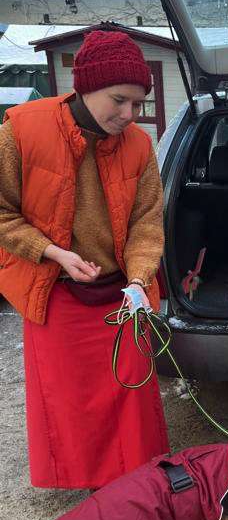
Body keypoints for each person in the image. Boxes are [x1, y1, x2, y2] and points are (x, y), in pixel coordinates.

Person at [0, 28, 169, 489]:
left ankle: (133, 482)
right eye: (119, 100)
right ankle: (89, 482)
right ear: (85, 85)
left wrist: (138, 280)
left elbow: (147, 223)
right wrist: (53, 253)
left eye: (138, 104)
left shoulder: (138, 145)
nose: (129, 114)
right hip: (53, 288)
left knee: (132, 395)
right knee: (70, 400)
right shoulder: (21, 129)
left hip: (120, 293)